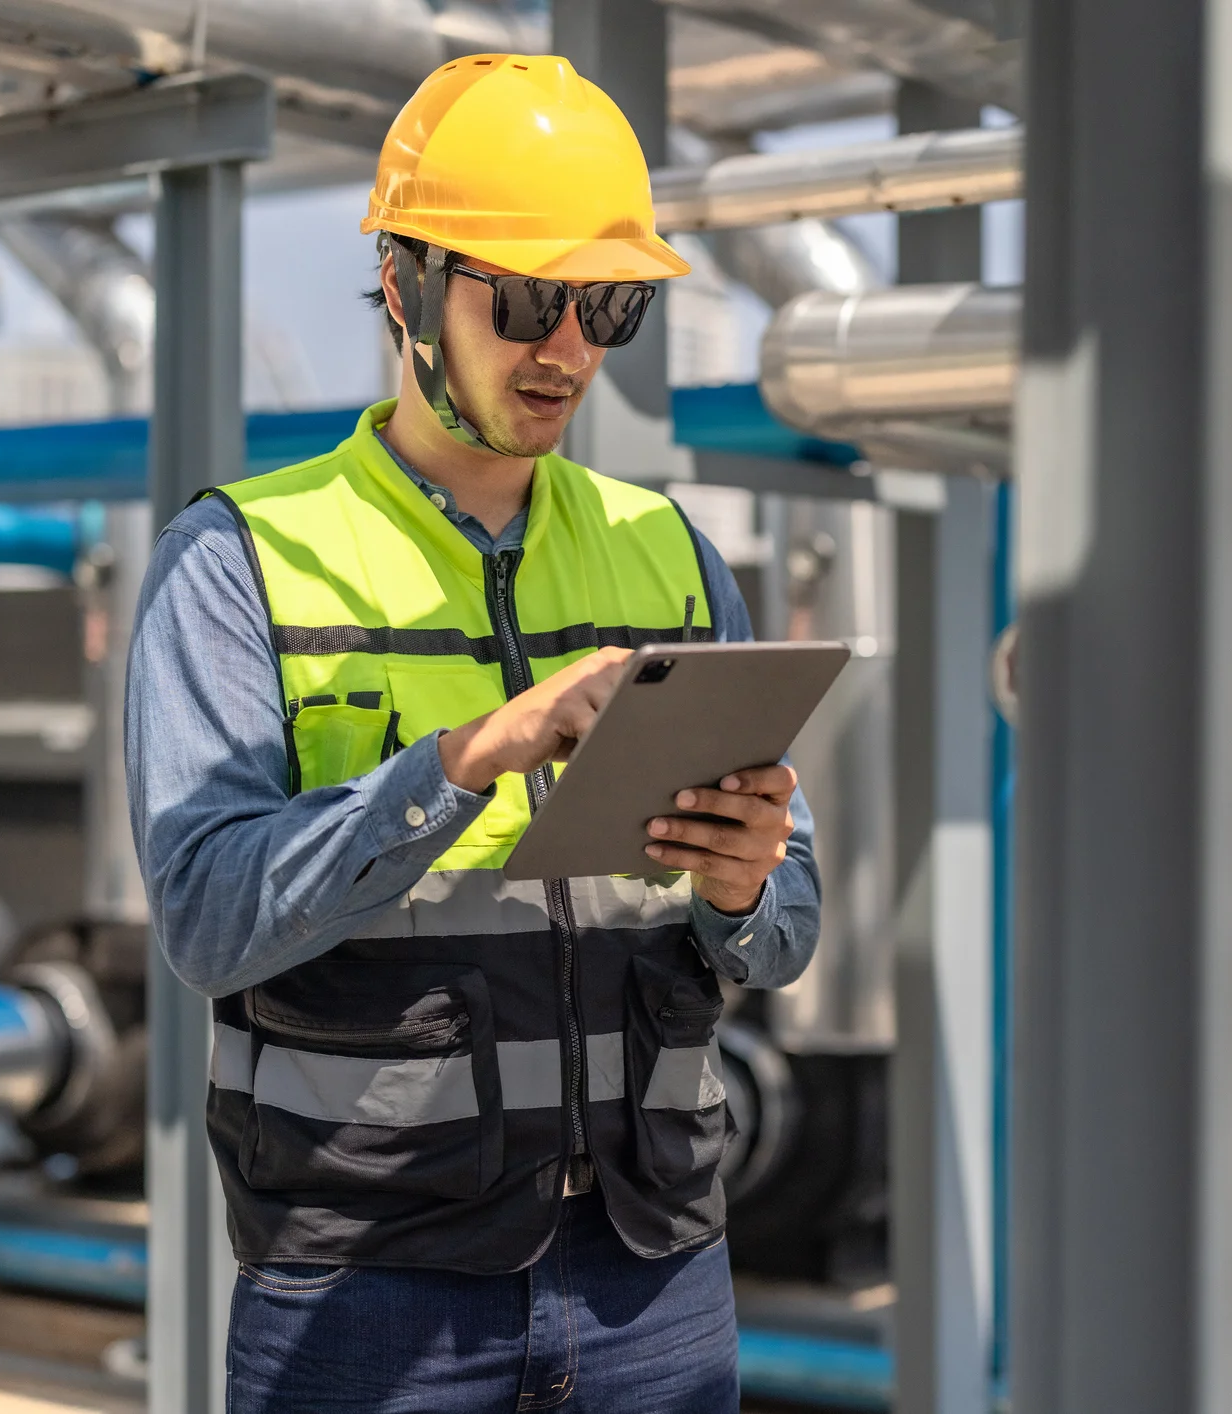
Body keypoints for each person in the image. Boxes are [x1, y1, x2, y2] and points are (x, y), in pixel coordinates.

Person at [125, 52, 822, 1414]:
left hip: (655, 1278)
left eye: (607, 304)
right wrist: (458, 766)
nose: (567, 349)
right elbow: (207, 918)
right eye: (524, 301)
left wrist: (746, 886)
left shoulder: (670, 554)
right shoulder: (243, 560)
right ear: (405, 286)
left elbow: (790, 928)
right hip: (364, 1291)